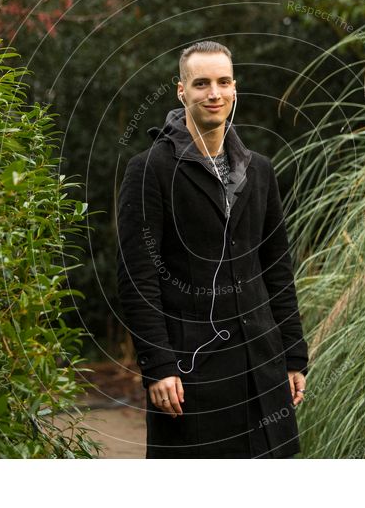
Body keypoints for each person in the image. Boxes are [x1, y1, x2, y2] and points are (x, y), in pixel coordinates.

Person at [116, 40, 309, 458]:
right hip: (191, 370)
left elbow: (276, 270)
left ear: (235, 89)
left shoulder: (258, 170)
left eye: (223, 82)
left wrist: (293, 355)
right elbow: (138, 278)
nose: (214, 93)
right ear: (181, 91)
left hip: (262, 364)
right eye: (201, 83)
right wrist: (159, 366)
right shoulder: (149, 170)